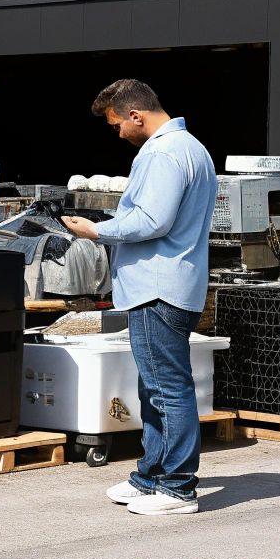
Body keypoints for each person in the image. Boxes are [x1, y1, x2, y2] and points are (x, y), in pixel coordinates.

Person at [61, 79, 216, 516]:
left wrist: (96, 230)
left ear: (135, 116)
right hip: (171, 282)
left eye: (116, 126)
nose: (118, 134)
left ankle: (178, 487)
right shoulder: (191, 148)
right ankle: (150, 476)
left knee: (167, 388)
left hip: (157, 286)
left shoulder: (163, 152)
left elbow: (153, 220)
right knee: (156, 387)